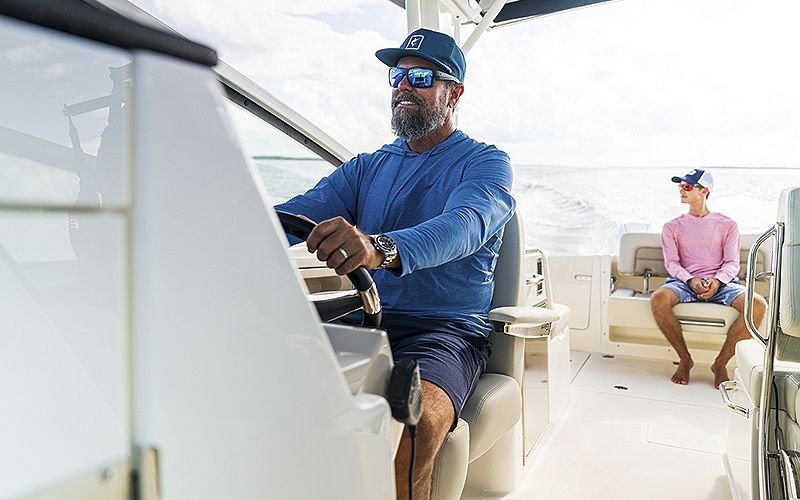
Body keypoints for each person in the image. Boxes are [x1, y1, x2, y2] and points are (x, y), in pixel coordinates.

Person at [275, 28, 515, 499]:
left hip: (445, 330)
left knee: (414, 424)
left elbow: (464, 225)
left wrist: (378, 247)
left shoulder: (486, 164)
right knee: (260, 374)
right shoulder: (366, 166)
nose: (404, 86)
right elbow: (295, 215)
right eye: (397, 76)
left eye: (421, 77)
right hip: (367, 317)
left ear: (454, 93)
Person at [650, 169, 767, 388]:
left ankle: (720, 364)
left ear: (704, 191)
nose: (681, 190)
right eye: (680, 186)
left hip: (722, 283)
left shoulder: (728, 225)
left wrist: (717, 281)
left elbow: (732, 263)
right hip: (685, 282)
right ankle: (685, 359)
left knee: (758, 305)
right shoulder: (671, 227)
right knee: (658, 299)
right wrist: (690, 280)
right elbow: (672, 263)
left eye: (687, 186)